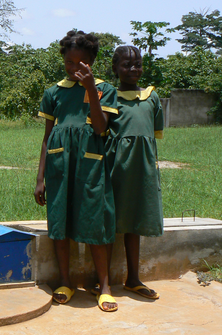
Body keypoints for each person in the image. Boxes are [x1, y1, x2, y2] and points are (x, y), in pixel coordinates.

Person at [33, 30, 119, 312]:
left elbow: (100, 127)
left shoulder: (105, 89)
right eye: (70, 62)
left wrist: (91, 88)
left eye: (81, 63)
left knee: (95, 222)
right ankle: (65, 281)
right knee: (60, 223)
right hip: (59, 166)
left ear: (91, 63)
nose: (74, 69)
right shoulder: (53, 92)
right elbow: (47, 138)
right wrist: (40, 178)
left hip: (90, 163)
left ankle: (104, 286)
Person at [105, 45, 163, 300]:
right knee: (109, 219)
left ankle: (133, 278)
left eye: (137, 64)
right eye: (127, 65)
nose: (133, 69)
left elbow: (154, 134)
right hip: (116, 166)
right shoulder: (110, 96)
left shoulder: (152, 96)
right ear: (115, 69)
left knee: (136, 221)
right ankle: (103, 281)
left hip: (143, 168)